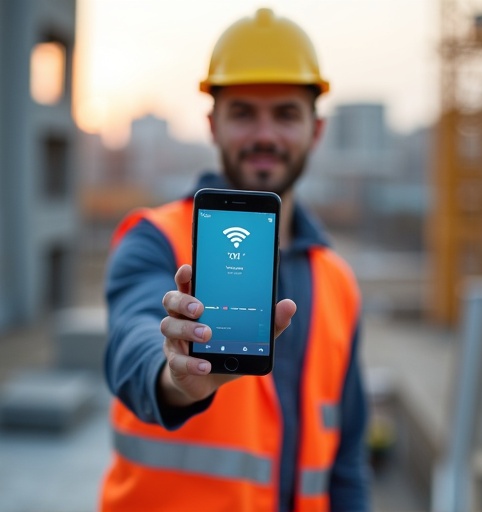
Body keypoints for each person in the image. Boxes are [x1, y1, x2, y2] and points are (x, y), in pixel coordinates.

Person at [100, 8, 370, 512]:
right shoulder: (154, 238)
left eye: (286, 113)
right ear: (213, 126)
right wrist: (175, 376)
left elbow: (347, 462)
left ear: (316, 129)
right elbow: (131, 342)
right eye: (243, 112)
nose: (264, 134)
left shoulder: (339, 281)